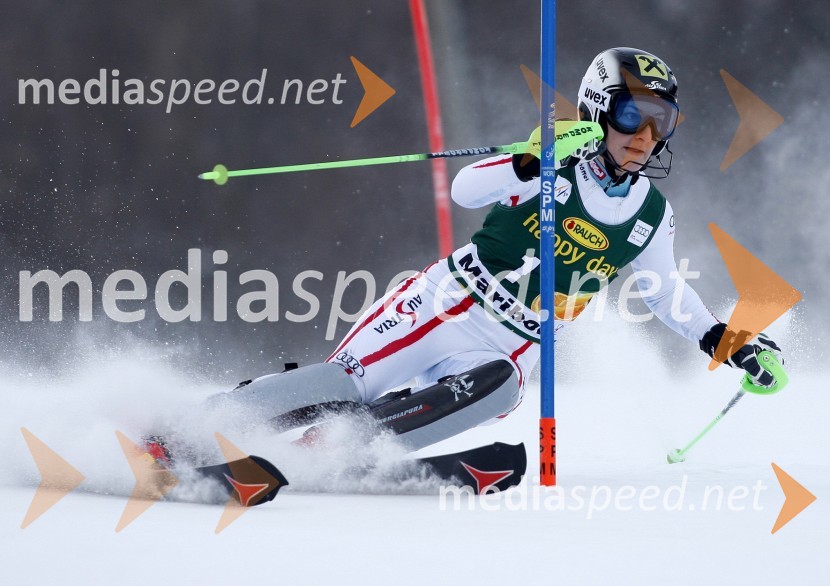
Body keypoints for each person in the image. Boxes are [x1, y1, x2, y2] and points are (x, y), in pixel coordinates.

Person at [150, 47, 783, 458]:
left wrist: (734, 345)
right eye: (633, 115)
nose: (646, 137)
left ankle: (326, 454)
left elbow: (669, 297)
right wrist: (530, 162)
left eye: (662, 122)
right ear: (597, 109)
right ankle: (182, 436)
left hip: (514, 344)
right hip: (450, 302)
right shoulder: (552, 162)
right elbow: (466, 187)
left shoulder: (650, 214)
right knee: (344, 384)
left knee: (502, 387)